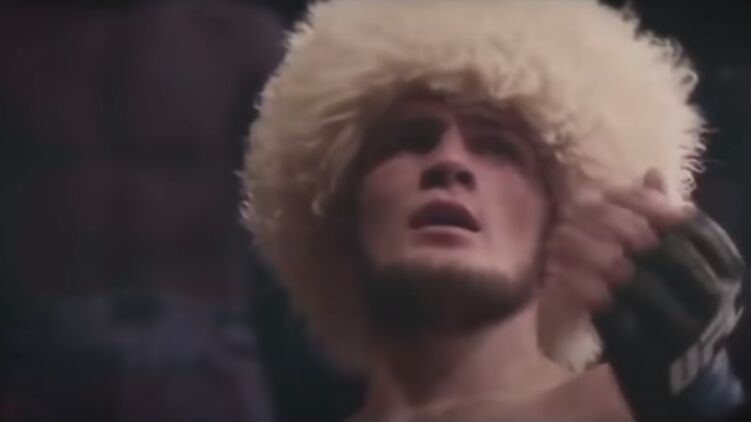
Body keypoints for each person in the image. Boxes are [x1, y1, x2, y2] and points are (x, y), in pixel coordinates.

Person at [242, 0, 745, 420]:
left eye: (498, 149)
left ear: (564, 215)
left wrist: (708, 404)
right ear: (340, 205)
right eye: (411, 139)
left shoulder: (637, 409)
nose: (449, 162)